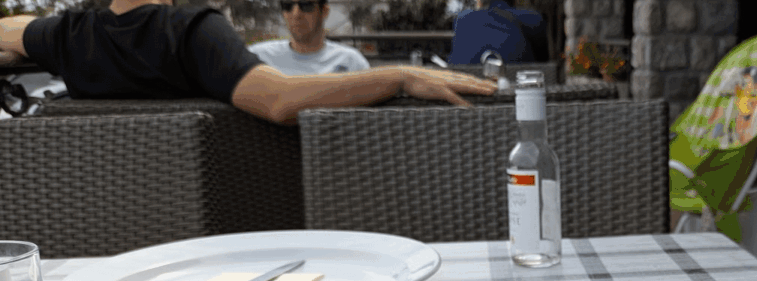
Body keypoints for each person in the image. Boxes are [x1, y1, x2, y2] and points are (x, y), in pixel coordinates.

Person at [0, 0, 494, 126]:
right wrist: (401, 76)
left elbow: (6, 32)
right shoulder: (193, 30)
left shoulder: (67, 32)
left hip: (101, 243)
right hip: (224, 236)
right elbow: (278, 101)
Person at [249, 0, 369, 75]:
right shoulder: (258, 57)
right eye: (287, 5)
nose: (296, 14)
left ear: (325, 11)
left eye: (306, 5)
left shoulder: (351, 62)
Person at [448, 0, 546, 66]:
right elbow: (542, 61)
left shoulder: (462, 19)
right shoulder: (532, 18)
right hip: (514, 86)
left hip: (464, 86)